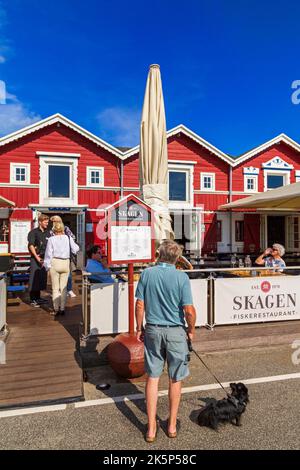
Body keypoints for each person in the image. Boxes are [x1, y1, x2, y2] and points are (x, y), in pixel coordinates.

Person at [135, 240, 196, 443]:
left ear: (159, 255)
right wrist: (192, 331)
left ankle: (151, 427)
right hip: (176, 331)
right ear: (177, 258)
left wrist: (139, 327)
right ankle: (171, 425)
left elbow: (140, 304)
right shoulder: (181, 277)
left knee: (152, 377)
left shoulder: (147, 274)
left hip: (153, 328)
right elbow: (189, 310)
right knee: (175, 378)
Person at [43, 221, 79, 317]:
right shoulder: (68, 237)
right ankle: (62, 309)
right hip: (65, 263)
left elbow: (48, 254)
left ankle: (56, 309)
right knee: (63, 288)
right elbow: (75, 249)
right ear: (62, 229)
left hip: (55, 262)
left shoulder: (51, 239)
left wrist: (47, 266)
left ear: (54, 229)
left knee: (55, 288)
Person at [50, 215, 77, 298]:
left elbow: (73, 237)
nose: (54, 223)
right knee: (55, 275)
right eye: (53, 222)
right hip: (55, 256)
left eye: (55, 221)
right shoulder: (51, 231)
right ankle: (58, 290)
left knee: (68, 275)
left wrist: (63, 238)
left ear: (60, 221)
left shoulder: (66, 228)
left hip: (66, 255)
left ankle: (69, 289)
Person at [28, 214, 50, 307]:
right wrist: (37, 258)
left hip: (44, 258)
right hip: (35, 258)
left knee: (41, 278)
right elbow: (31, 245)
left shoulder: (48, 232)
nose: (47, 224)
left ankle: (38, 298)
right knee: (34, 278)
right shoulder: (33, 232)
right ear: (40, 222)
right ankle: (33, 300)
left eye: (47, 222)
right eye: (45, 222)